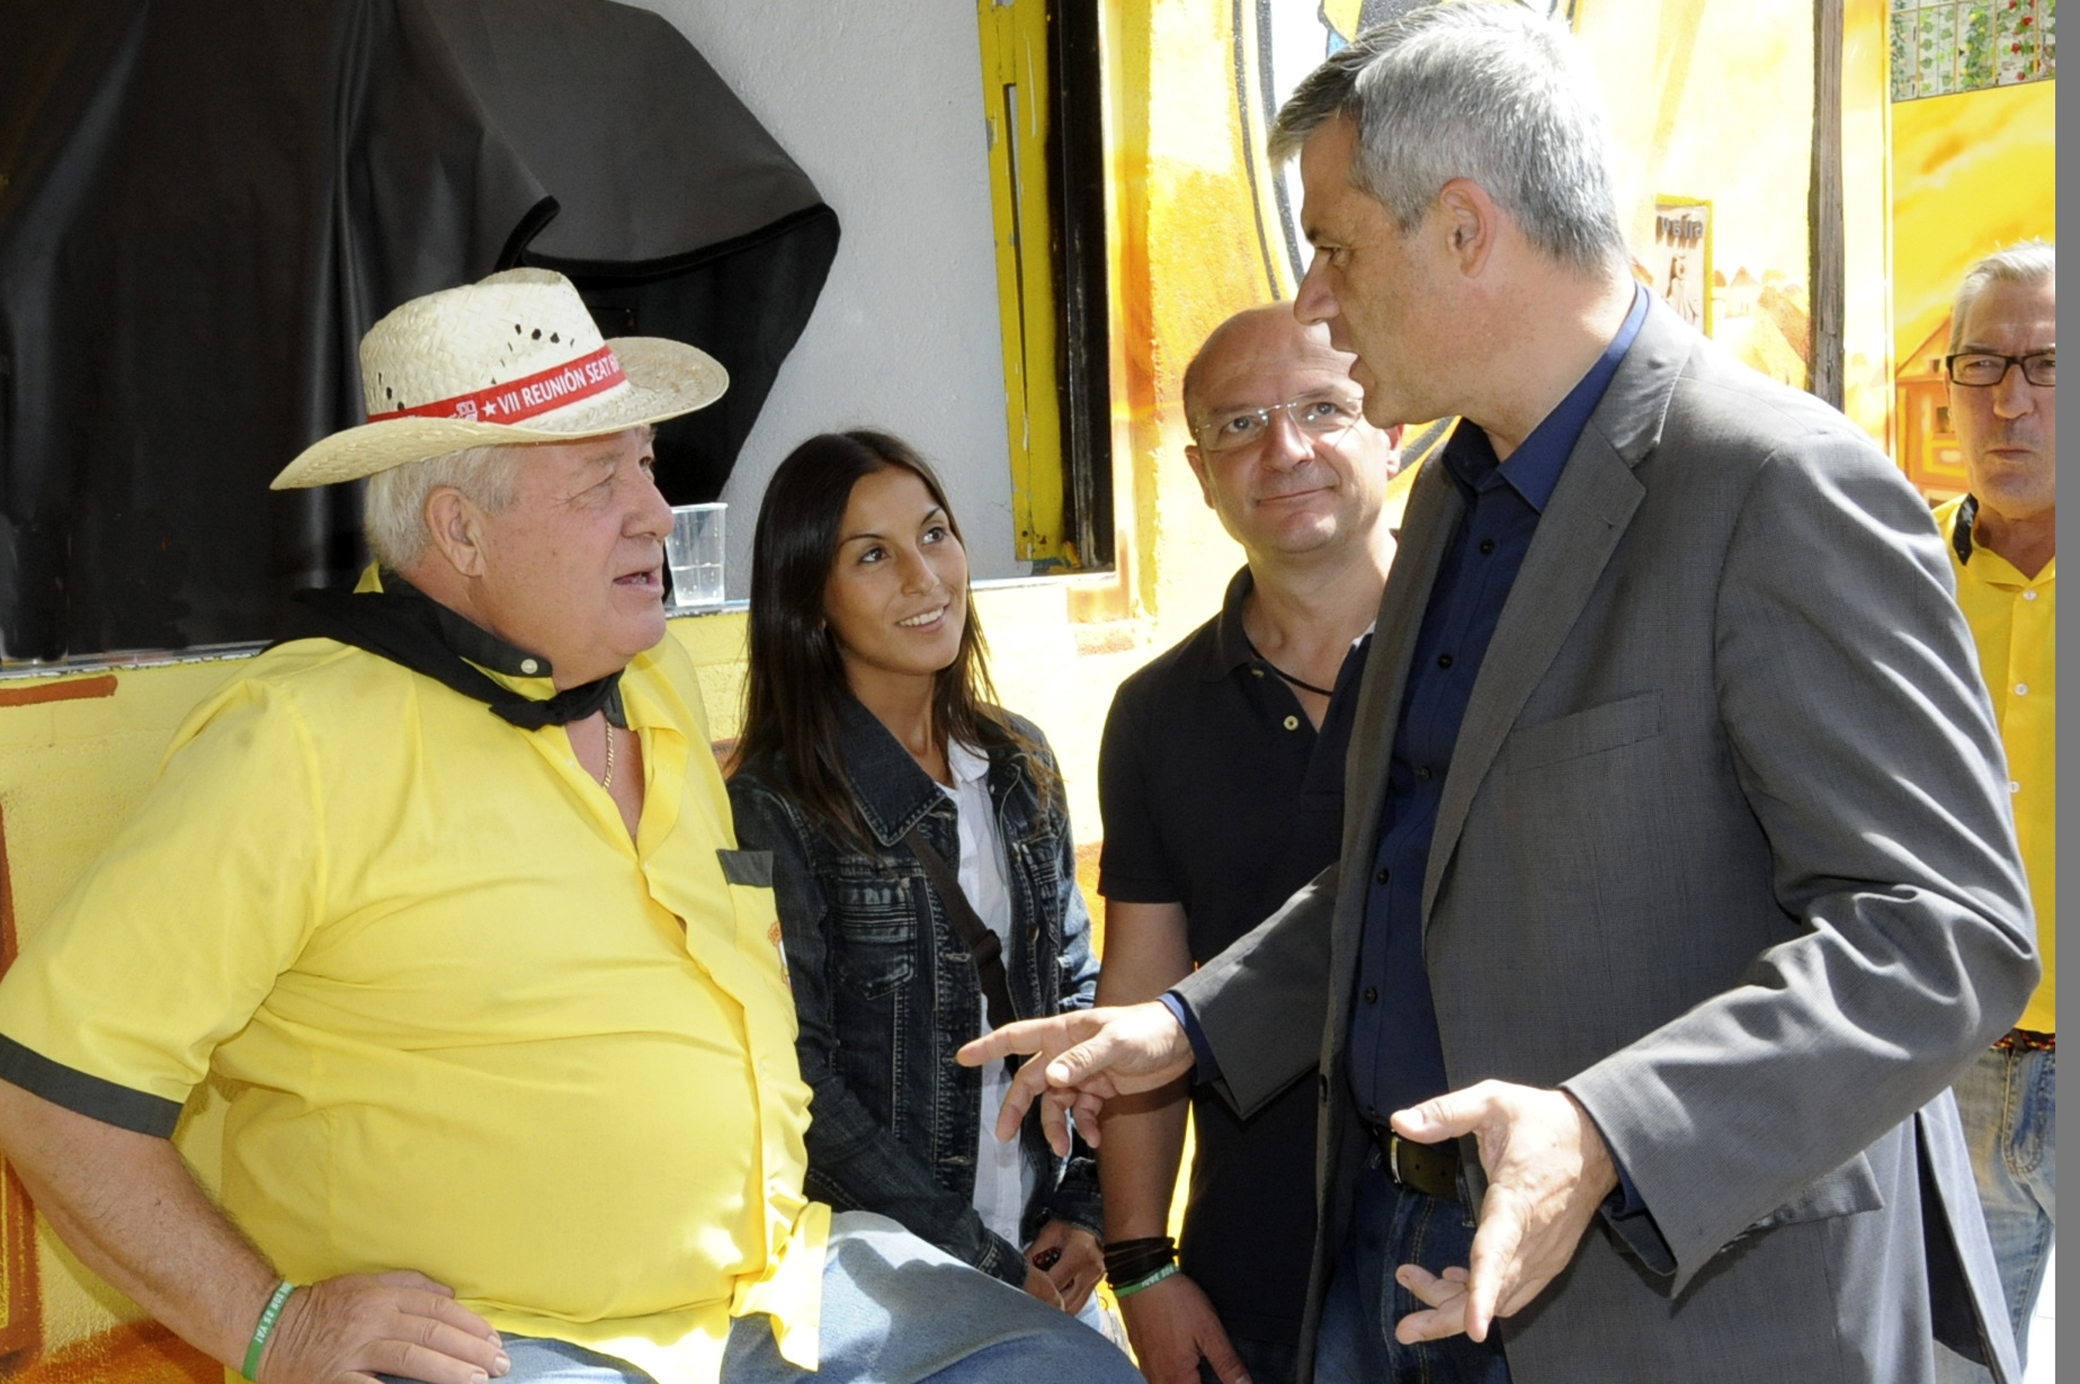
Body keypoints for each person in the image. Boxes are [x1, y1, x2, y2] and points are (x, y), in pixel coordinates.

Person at [960, 7, 2037, 1384]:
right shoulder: (1455, 496)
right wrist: (1181, 1027)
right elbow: (1405, 873)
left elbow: (1943, 929)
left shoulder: (1773, 488)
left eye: (1337, 249)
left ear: (1463, 230)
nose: (1313, 301)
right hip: (1414, 1267)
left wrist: (1609, 1129)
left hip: (1695, 1314)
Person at [0, 269, 1141, 1384]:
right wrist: (275, 1329)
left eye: (645, 464)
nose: (655, 509)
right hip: (504, 1343)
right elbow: (49, 1091)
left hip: (786, 1295)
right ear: (459, 530)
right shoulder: (297, 738)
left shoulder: (661, 689)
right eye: (601, 482)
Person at [725, 430, 1113, 1325]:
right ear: (809, 600)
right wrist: (979, 1257)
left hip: (1044, 1256)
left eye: (934, 534)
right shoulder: (770, 808)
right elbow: (796, 1082)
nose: (923, 576)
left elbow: (1081, 997)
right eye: (872, 555)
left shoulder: (1020, 763)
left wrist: (1085, 1212)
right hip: (888, 1285)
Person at [1093, 305, 1399, 1384]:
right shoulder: (1154, 712)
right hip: (1255, 1286)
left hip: (1483, 1263)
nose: (1285, 449)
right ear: (1197, 471)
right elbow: (1142, 992)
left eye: (1325, 408)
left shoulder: (1485, 661)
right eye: (1240, 425)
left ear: (1391, 429)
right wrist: (1139, 1266)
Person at [1929, 240, 2055, 1383]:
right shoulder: (1893, 572)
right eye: (1984, 362)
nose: (2011, 399)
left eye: (2047, 363)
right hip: (1945, 1062)